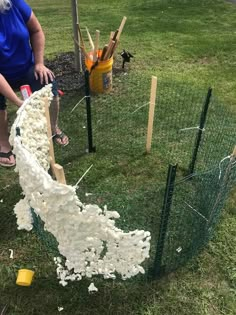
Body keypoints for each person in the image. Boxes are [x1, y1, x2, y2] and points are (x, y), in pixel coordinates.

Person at [0, 0, 69, 167]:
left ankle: (52, 127)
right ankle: (3, 141)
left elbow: (36, 30)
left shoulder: (15, 4)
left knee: (47, 81)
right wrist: (17, 102)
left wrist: (39, 63)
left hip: (26, 66)